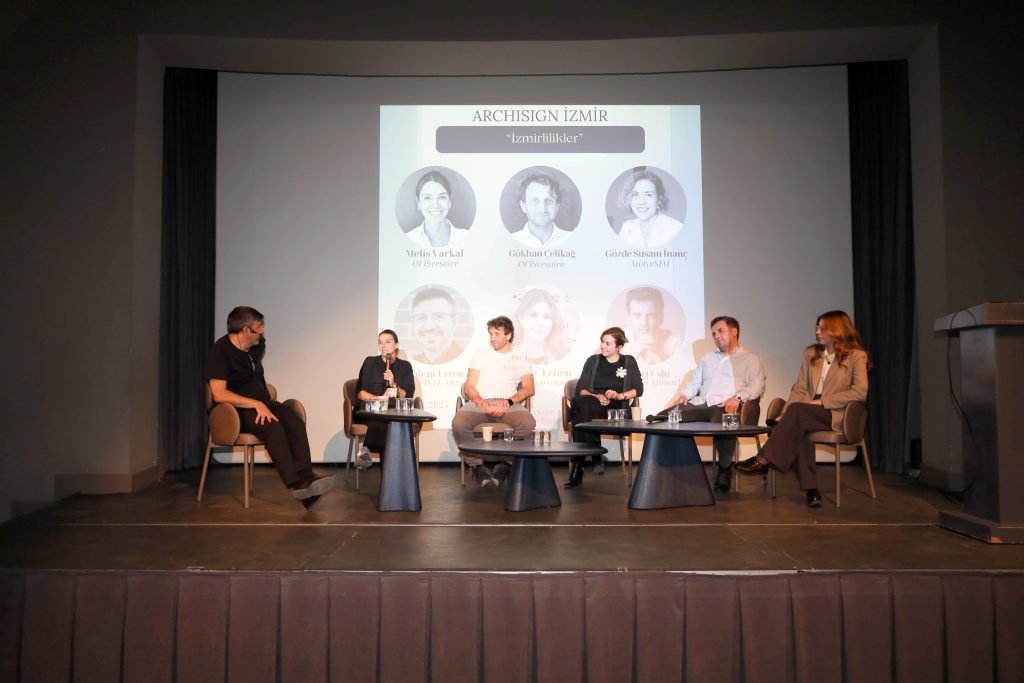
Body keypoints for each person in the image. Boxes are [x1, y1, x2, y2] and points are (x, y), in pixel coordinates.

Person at [205, 306, 334, 511]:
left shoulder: (256, 346)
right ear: (245, 329)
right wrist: (255, 404)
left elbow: (256, 373)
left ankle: (307, 479)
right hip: (235, 411)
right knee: (272, 426)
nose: (262, 331)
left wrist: (262, 399)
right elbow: (219, 394)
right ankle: (297, 484)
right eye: (259, 327)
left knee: (293, 420)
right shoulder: (220, 351)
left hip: (262, 403)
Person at [738, 310, 869, 507]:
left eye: (822, 328)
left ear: (837, 329)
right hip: (805, 411)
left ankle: (764, 459)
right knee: (800, 427)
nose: (817, 331)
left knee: (798, 415)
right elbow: (799, 388)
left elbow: (860, 392)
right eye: (817, 327)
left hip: (838, 412)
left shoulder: (857, 356)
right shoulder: (812, 354)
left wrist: (823, 401)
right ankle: (811, 490)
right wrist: (785, 413)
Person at [656, 316, 766, 492]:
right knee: (672, 414)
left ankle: (725, 468)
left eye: (720, 331)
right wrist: (684, 395)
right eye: (714, 333)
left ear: (734, 331)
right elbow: (695, 382)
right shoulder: (707, 358)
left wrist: (737, 398)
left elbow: (757, 385)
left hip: (728, 405)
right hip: (703, 403)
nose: (716, 336)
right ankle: (670, 463)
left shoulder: (750, 358)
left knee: (721, 419)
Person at [451, 316, 536, 487]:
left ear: (508, 335)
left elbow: (529, 388)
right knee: (459, 423)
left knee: (528, 423)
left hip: (508, 404)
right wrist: (481, 402)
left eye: (497, 334)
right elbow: (469, 385)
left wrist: (507, 402)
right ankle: (477, 465)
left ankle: (506, 464)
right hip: (480, 402)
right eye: (490, 334)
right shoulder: (481, 354)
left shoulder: (521, 357)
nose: (492, 338)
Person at [564, 327, 644, 489]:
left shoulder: (628, 361)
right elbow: (581, 388)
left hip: (617, 410)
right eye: (602, 342)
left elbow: (638, 389)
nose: (603, 346)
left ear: (619, 347)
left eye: (608, 343)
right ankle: (593, 453)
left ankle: (580, 465)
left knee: (580, 410)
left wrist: (619, 395)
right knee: (583, 402)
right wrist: (596, 397)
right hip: (592, 405)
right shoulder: (593, 361)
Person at [352, 329, 416, 470]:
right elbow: (361, 393)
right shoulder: (370, 362)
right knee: (385, 417)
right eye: (380, 342)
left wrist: (394, 384)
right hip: (368, 408)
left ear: (396, 345)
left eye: (387, 342)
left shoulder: (405, 366)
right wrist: (379, 399)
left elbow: (408, 395)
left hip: (390, 411)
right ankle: (390, 473)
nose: (383, 346)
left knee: (387, 418)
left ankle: (366, 450)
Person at [617, 169, 683, 247]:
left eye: (648, 195)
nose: (641, 202)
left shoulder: (675, 228)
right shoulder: (626, 227)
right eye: (635, 194)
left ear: (659, 199)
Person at [405, 170, 469, 248]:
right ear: (418, 203)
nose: (436, 205)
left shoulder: (466, 236)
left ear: (450, 201)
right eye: (427, 198)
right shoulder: (408, 238)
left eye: (442, 197)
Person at [621, 287, 682, 364]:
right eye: (637, 315)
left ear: (661, 317)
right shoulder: (615, 342)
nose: (644, 323)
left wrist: (658, 360)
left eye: (651, 315)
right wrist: (632, 355)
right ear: (628, 318)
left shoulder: (674, 343)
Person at [511, 172, 573, 248]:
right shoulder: (510, 241)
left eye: (548, 201)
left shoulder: (572, 239)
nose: (542, 209)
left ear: (557, 206)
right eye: (535, 201)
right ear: (523, 206)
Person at [514, 288, 571, 365]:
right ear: (521, 318)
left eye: (547, 316)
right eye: (533, 315)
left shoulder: (563, 355)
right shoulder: (506, 355)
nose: (541, 323)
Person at [409, 287, 464, 364]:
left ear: (454, 322)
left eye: (439, 317)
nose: (429, 327)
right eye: (421, 317)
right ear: (413, 324)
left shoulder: (469, 361)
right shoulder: (409, 364)